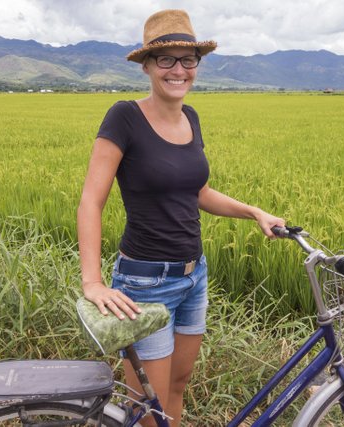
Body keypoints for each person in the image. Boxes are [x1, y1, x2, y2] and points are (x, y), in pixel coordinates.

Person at [77, 9, 285, 426]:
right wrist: (93, 282)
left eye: (188, 60)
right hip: (144, 283)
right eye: (166, 60)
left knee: (177, 384)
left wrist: (253, 212)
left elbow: (199, 192)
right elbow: (90, 201)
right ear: (148, 66)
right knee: (147, 407)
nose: (178, 70)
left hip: (195, 276)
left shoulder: (191, 118)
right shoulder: (125, 117)